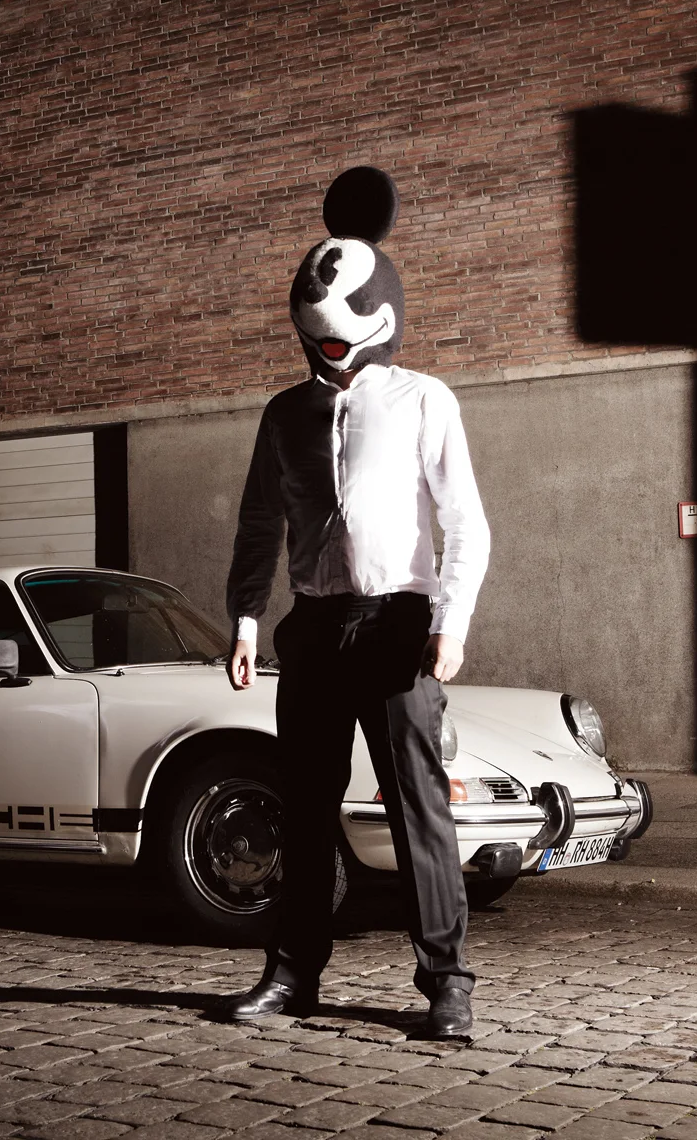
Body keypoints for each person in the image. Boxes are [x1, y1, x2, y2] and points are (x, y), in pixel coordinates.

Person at [222, 167, 491, 1039]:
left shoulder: (423, 398)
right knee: (305, 808)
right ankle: (292, 974)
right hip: (313, 627)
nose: (332, 343)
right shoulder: (283, 415)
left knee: (418, 805)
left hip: (397, 624)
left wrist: (451, 621)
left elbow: (464, 519)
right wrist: (245, 618)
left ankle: (446, 980)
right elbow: (259, 521)